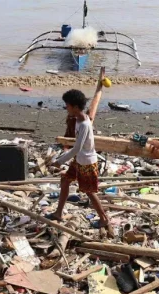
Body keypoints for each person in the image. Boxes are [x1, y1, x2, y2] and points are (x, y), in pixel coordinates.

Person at [48, 67, 109, 232]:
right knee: (65, 180)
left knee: (89, 192)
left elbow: (76, 148)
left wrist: (58, 161)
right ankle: (58, 213)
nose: (66, 108)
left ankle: (104, 219)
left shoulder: (84, 124)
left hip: (87, 162)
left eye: (67, 105)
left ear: (75, 107)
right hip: (79, 160)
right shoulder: (78, 118)